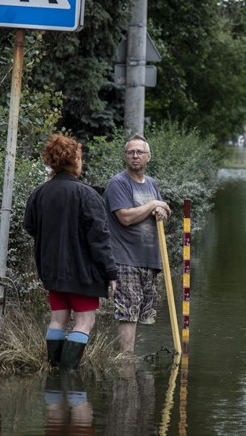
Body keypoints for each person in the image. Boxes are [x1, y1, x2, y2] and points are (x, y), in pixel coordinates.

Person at [24, 134, 118, 370]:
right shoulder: (87, 194)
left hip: (51, 270)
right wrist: (111, 272)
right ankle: (68, 379)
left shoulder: (39, 193)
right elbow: (99, 237)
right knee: (84, 321)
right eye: (80, 157)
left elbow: (30, 227)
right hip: (81, 272)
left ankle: (54, 383)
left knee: (58, 319)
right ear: (74, 159)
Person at [104, 134, 171, 355]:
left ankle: (131, 362)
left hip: (149, 259)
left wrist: (161, 209)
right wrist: (154, 204)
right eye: (131, 152)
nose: (135, 155)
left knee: (143, 313)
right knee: (127, 312)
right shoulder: (119, 183)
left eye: (139, 152)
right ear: (125, 156)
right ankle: (125, 361)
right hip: (125, 258)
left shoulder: (151, 183)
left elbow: (164, 209)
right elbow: (125, 217)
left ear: (148, 157)